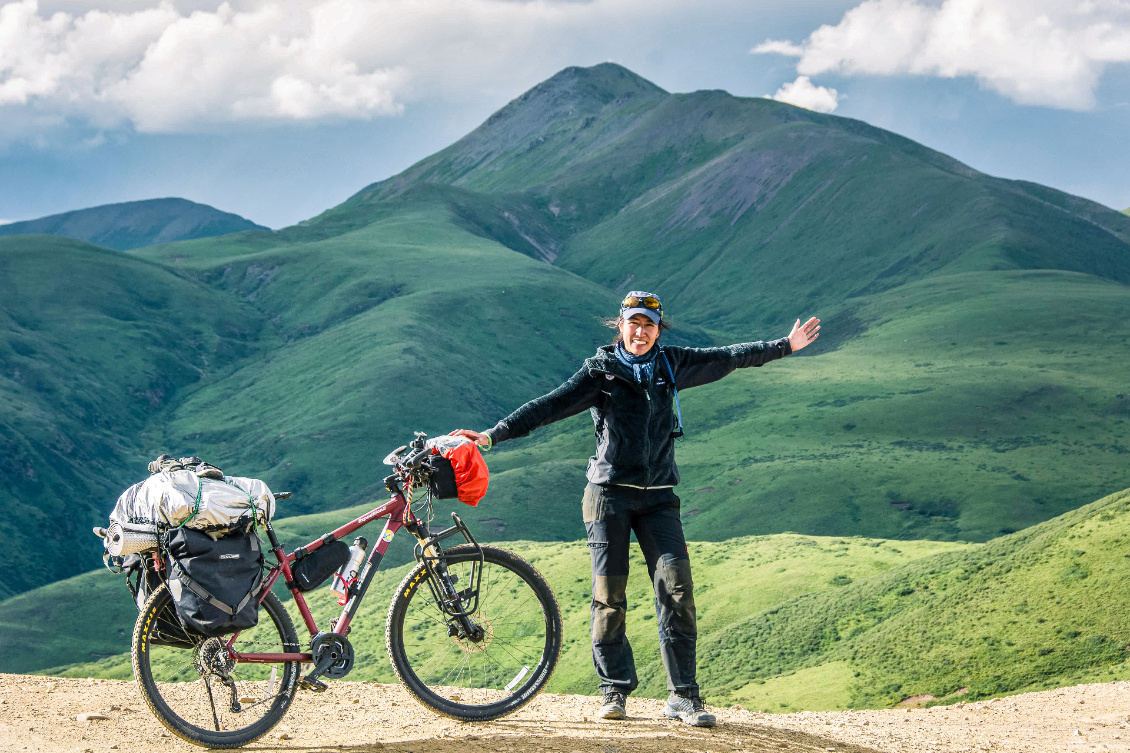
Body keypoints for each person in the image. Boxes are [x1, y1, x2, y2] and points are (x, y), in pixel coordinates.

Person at [450, 291, 819, 727]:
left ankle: (683, 696)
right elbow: (550, 405)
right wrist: (494, 435)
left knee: (677, 589)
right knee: (610, 596)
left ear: (658, 330)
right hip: (608, 495)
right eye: (633, 323)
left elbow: (729, 357)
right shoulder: (601, 372)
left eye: (649, 325)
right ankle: (614, 689)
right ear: (619, 326)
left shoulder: (671, 364)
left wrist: (784, 346)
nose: (640, 332)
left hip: (659, 496)